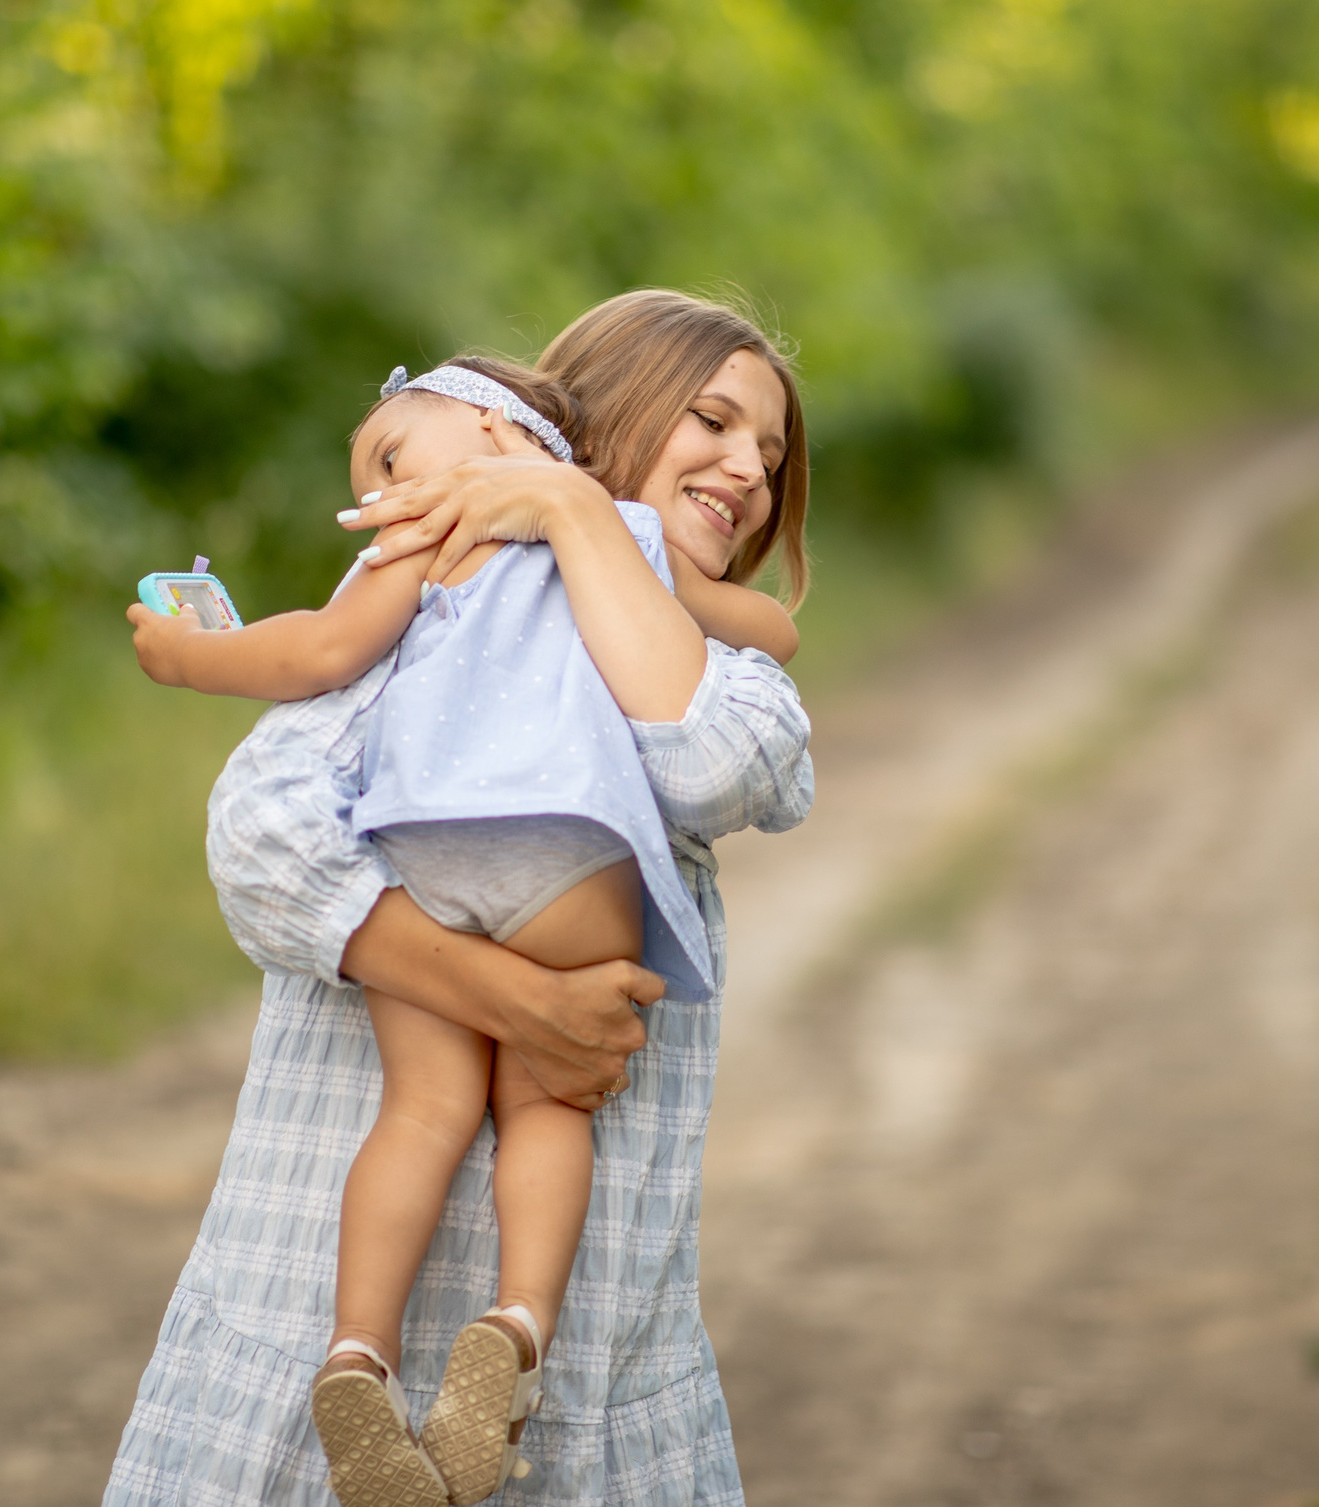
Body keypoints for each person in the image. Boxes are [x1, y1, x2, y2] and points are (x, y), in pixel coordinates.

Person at [104, 290, 813, 1507]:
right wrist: (516, 1001)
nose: (748, 467)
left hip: (598, 1372)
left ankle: (397, 1349)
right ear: (595, 416)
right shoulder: (432, 595)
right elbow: (264, 844)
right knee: (533, 1110)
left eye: (772, 453)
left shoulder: (709, 671)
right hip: (290, 1301)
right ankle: (431, 1346)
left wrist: (578, 516)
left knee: (432, 1111)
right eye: (713, 420)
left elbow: (717, 759)